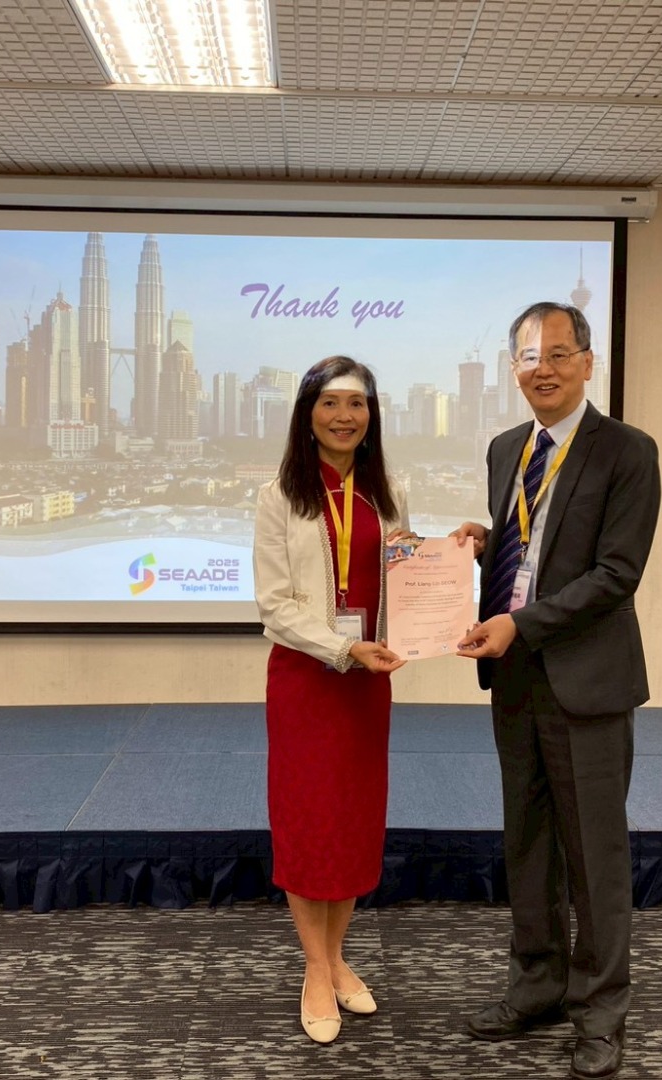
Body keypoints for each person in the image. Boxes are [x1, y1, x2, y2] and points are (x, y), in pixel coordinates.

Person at [452, 301, 660, 1079]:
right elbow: (533, 551)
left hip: (587, 679)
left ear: (586, 363)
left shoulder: (627, 451)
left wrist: (521, 624)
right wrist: (483, 545)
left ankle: (599, 1011)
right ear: (513, 367)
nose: (542, 369)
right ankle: (535, 985)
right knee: (528, 842)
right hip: (516, 679)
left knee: (593, 854)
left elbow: (615, 573)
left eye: (558, 354)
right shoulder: (506, 447)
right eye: (528, 356)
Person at [252, 355, 413, 1044]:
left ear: (371, 415)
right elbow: (274, 605)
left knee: (351, 821)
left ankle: (338, 954)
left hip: (366, 686)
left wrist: (442, 561)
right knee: (307, 821)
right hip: (306, 680)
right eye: (329, 403)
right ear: (307, 414)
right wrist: (343, 647)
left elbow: (404, 577)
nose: (344, 416)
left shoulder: (388, 492)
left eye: (356, 403)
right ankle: (316, 970)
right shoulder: (279, 496)